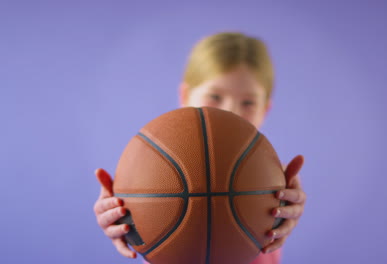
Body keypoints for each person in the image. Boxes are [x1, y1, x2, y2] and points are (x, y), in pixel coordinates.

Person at [94, 32, 306, 264]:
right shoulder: (151, 171)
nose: (231, 112)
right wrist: (119, 213)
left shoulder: (277, 179)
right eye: (214, 96)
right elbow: (133, 213)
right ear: (185, 96)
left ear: (265, 110)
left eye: (248, 103)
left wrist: (286, 214)